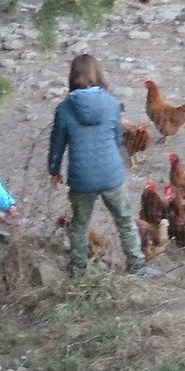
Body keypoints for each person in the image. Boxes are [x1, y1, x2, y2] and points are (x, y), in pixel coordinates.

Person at [48, 54, 155, 277]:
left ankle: (78, 269)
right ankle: (137, 266)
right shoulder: (111, 103)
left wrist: (54, 170)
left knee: (79, 224)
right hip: (111, 174)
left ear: (72, 76)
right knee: (125, 221)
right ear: (97, 73)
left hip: (81, 178)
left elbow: (57, 144)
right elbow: (117, 139)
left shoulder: (64, 108)